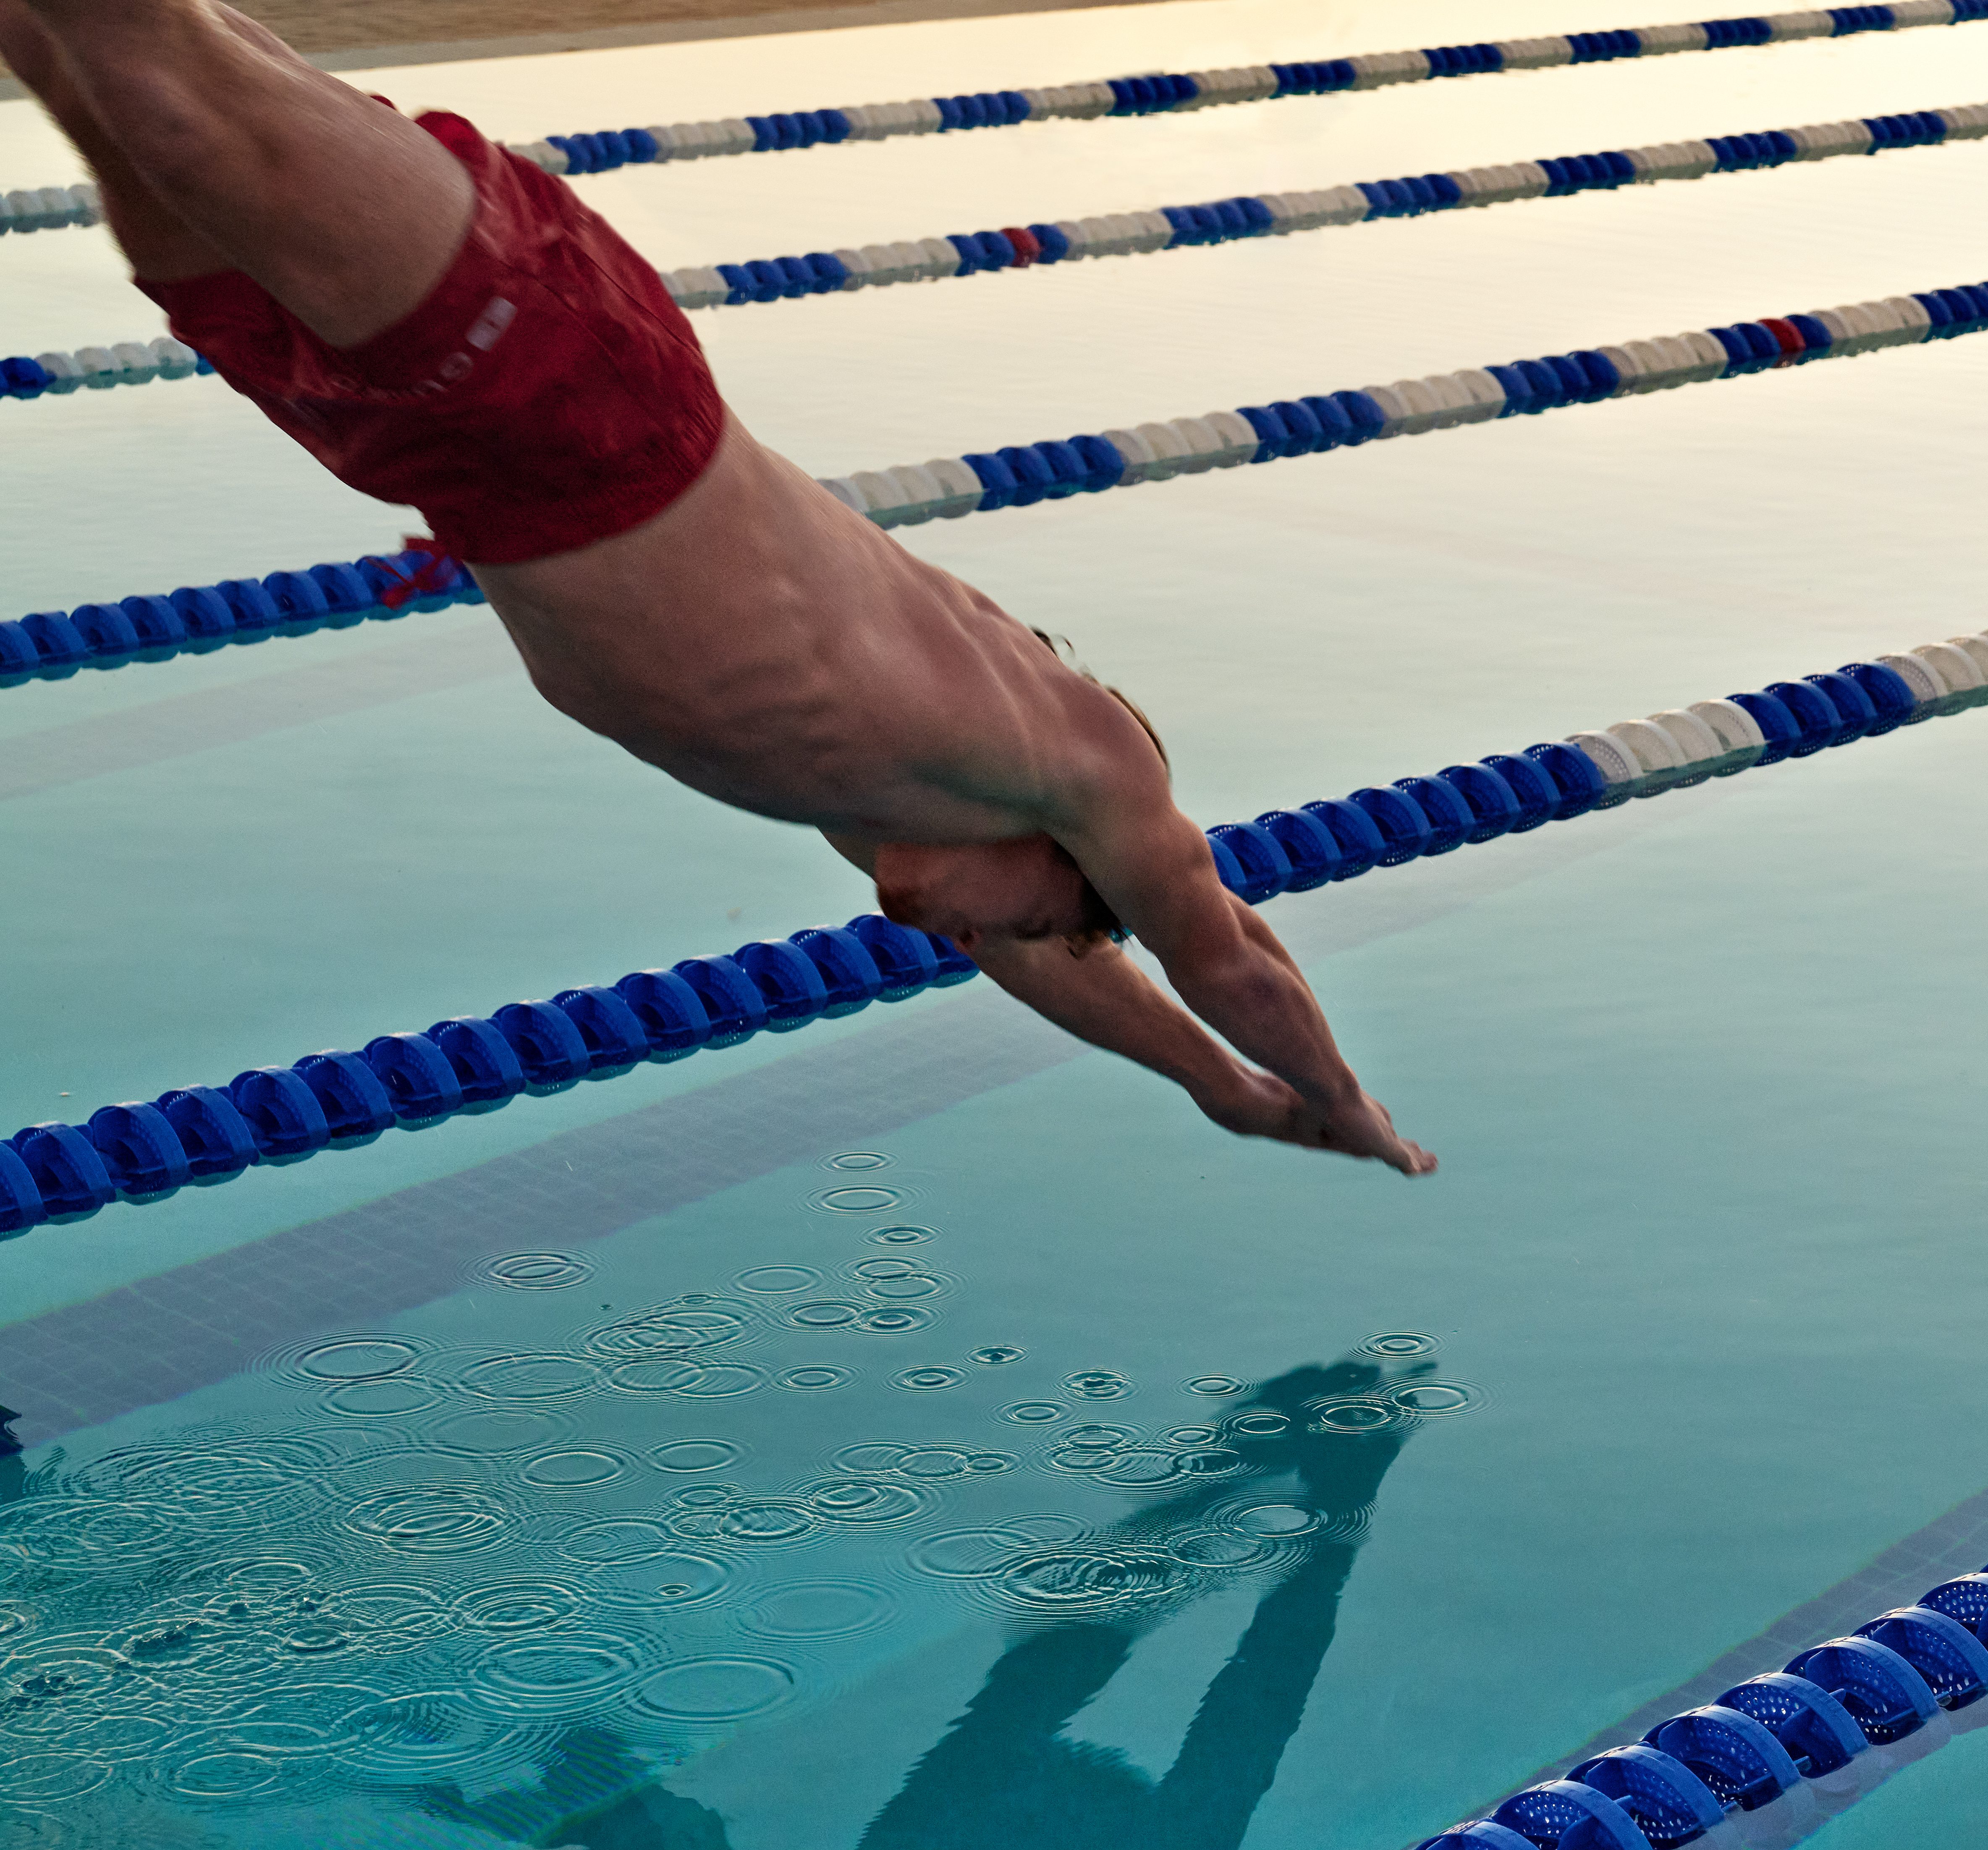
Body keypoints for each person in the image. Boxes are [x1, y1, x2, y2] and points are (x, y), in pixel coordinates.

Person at [0, 0, 1434, 1176]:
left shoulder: (860, 799)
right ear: (1062, 856)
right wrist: (1331, 1097)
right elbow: (1224, 954)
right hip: (578, 395)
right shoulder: (1071, 753)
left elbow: (1058, 973)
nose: (965, 938)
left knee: (75, 68)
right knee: (168, 88)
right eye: (1026, 920)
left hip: (434, 453)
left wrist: (1215, 1096)